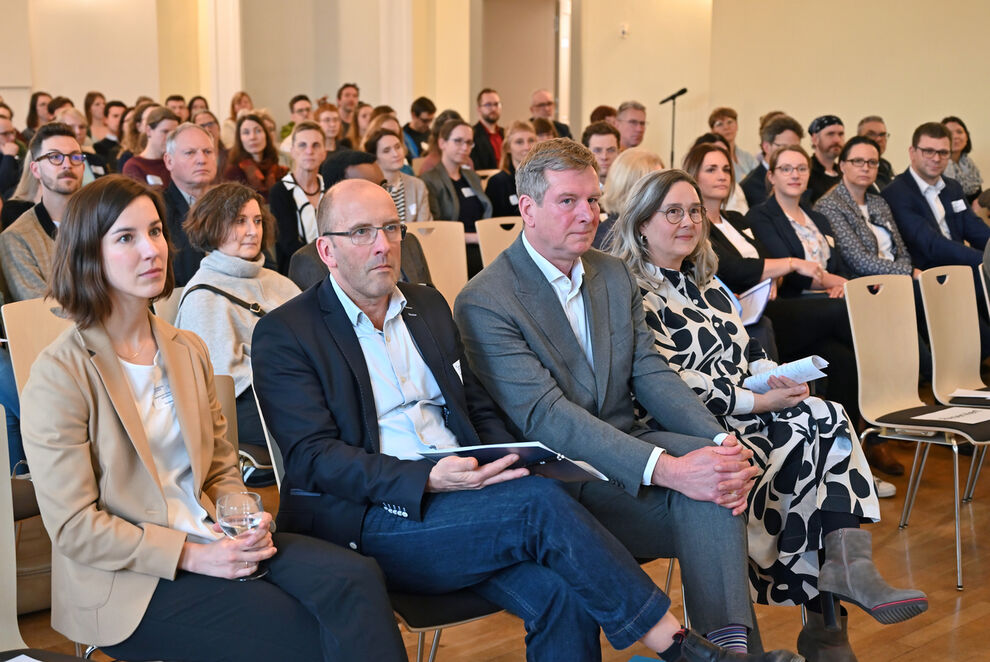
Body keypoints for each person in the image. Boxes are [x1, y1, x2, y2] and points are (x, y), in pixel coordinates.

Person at [252, 176, 801, 662]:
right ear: (326, 249)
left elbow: (477, 408)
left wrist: (508, 458)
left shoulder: (424, 305)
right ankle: (682, 648)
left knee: (563, 590)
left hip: (470, 494)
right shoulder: (288, 331)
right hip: (378, 517)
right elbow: (312, 458)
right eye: (362, 233)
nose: (383, 245)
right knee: (542, 502)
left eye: (393, 229)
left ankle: (718, 648)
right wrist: (427, 477)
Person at [21, 174, 407, 661]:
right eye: (126, 237)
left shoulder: (186, 348)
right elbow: (75, 527)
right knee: (300, 630)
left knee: (357, 578)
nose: (152, 249)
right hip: (129, 580)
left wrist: (243, 517)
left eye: (156, 231)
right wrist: (193, 555)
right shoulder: (61, 372)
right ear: (87, 254)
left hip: (212, 536)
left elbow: (222, 468)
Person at [453, 139, 768, 654]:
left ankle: (726, 649)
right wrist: (669, 467)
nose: (587, 214)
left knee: (713, 470)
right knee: (702, 479)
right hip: (563, 479)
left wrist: (718, 440)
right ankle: (733, 652)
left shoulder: (612, 272)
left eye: (594, 200)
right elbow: (547, 418)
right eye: (568, 201)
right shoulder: (486, 299)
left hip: (628, 448)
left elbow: (650, 372)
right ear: (527, 209)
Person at [608, 168, 927, 660]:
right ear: (642, 222)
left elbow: (745, 354)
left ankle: (845, 573)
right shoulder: (632, 291)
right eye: (673, 211)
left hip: (744, 408)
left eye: (694, 210)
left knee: (824, 413)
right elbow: (663, 385)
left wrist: (775, 376)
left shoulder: (708, 283)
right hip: (684, 425)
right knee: (804, 439)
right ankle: (827, 620)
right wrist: (756, 402)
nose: (688, 221)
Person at [176, 181, 301, 448]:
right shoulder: (203, 296)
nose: (252, 231)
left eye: (257, 220)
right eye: (239, 221)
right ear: (212, 226)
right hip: (248, 406)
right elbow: (224, 383)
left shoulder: (278, 281)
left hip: (297, 387)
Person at [882, 122, 990, 270]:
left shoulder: (953, 188)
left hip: (964, 270)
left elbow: (975, 228)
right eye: (928, 151)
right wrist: (985, 260)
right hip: (929, 277)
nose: (936, 159)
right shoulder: (896, 193)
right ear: (912, 152)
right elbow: (930, 245)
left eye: (943, 152)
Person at [0, 123, 83, 302]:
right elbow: (43, 309)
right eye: (55, 157)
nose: (67, 165)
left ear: (83, 166)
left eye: (75, 157)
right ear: (36, 169)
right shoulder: (17, 237)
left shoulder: (104, 225)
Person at [814, 137, 915, 279]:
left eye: (872, 162)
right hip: (860, 284)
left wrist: (899, 276)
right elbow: (859, 261)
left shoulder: (879, 203)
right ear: (842, 166)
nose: (866, 168)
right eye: (858, 161)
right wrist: (908, 272)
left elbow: (901, 251)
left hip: (896, 280)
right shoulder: (829, 205)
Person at [420, 119, 492, 274]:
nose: (465, 147)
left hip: (481, 243)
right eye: (458, 141)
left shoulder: (472, 177)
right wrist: (476, 238)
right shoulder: (430, 179)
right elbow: (437, 229)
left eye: (469, 142)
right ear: (442, 143)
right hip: (453, 247)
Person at [163, 123, 219, 286]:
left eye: (208, 152)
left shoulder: (230, 203)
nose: (202, 160)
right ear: (169, 161)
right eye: (190, 153)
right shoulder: (158, 208)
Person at [269, 120, 327, 272]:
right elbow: (289, 244)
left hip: (333, 269)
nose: (309, 151)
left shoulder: (332, 189)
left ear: (324, 153)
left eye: (316, 145)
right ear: (293, 151)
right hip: (295, 271)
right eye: (302, 145)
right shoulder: (280, 191)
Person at [596, 148, 665, 248]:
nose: (665, 192)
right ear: (631, 188)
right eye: (658, 186)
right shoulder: (608, 240)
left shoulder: (652, 229)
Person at [366, 127, 431, 224]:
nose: (396, 154)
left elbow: (425, 228)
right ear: (375, 158)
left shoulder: (417, 185)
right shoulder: (368, 190)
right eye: (386, 150)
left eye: (397, 147)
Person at [740, 115, 803, 208]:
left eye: (796, 148)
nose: (791, 153)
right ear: (766, 147)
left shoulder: (801, 178)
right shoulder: (751, 187)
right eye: (783, 147)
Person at [222, 113, 288, 201]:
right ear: (239, 138)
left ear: (266, 135)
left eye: (258, 131)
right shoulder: (233, 173)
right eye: (246, 132)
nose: (252, 137)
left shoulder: (278, 170)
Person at [486, 121, 536, 217]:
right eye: (519, 142)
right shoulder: (497, 183)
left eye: (531, 140)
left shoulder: (546, 179)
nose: (527, 147)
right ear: (508, 148)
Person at [123, 107, 179, 188]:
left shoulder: (175, 163)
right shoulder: (134, 166)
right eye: (165, 132)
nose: (169, 138)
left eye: (173, 133)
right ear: (148, 130)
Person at [55, 106, 109, 185]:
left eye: (82, 127)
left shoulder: (96, 160)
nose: (78, 132)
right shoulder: (54, 161)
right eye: (71, 127)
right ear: (59, 129)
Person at [942, 115, 983, 204]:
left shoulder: (970, 166)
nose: (955, 136)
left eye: (959, 132)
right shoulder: (936, 167)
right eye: (949, 133)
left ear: (967, 137)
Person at [805, 115, 844, 205]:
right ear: (815, 139)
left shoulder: (845, 172)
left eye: (841, 134)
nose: (837, 140)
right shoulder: (806, 172)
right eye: (830, 134)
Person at [708, 107, 757, 177]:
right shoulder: (712, 158)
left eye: (730, 122)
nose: (726, 127)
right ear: (712, 130)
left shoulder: (747, 156)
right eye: (720, 124)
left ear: (737, 125)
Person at [857, 116, 894, 190]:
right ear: (859, 138)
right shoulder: (854, 168)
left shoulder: (886, 166)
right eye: (871, 134)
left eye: (882, 135)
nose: (878, 139)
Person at [470, 88, 504, 170]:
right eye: (488, 105)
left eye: (496, 104)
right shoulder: (472, 135)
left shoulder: (506, 133)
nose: (493, 109)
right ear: (479, 109)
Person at [581, 121, 620, 190]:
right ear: (584, 153)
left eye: (611, 150)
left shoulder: (629, 188)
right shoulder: (576, 188)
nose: (604, 157)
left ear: (619, 152)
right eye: (597, 150)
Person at [192, 108, 229, 179]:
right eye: (202, 126)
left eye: (210, 124)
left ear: (218, 127)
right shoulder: (192, 161)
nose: (208, 129)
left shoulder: (231, 157)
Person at [403, 96, 435, 163]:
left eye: (431, 120)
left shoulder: (433, 135)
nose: (428, 124)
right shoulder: (402, 136)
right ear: (413, 115)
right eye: (425, 121)